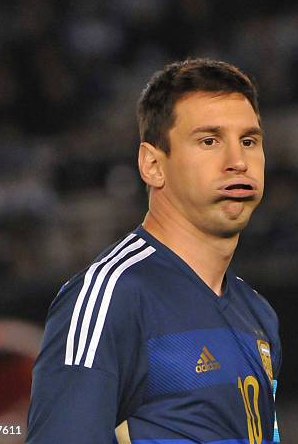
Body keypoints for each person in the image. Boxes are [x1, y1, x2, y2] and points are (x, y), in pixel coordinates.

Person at [26, 58, 281, 443]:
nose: (237, 162)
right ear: (152, 165)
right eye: (209, 140)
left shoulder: (257, 312)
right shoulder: (110, 296)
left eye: (249, 141)